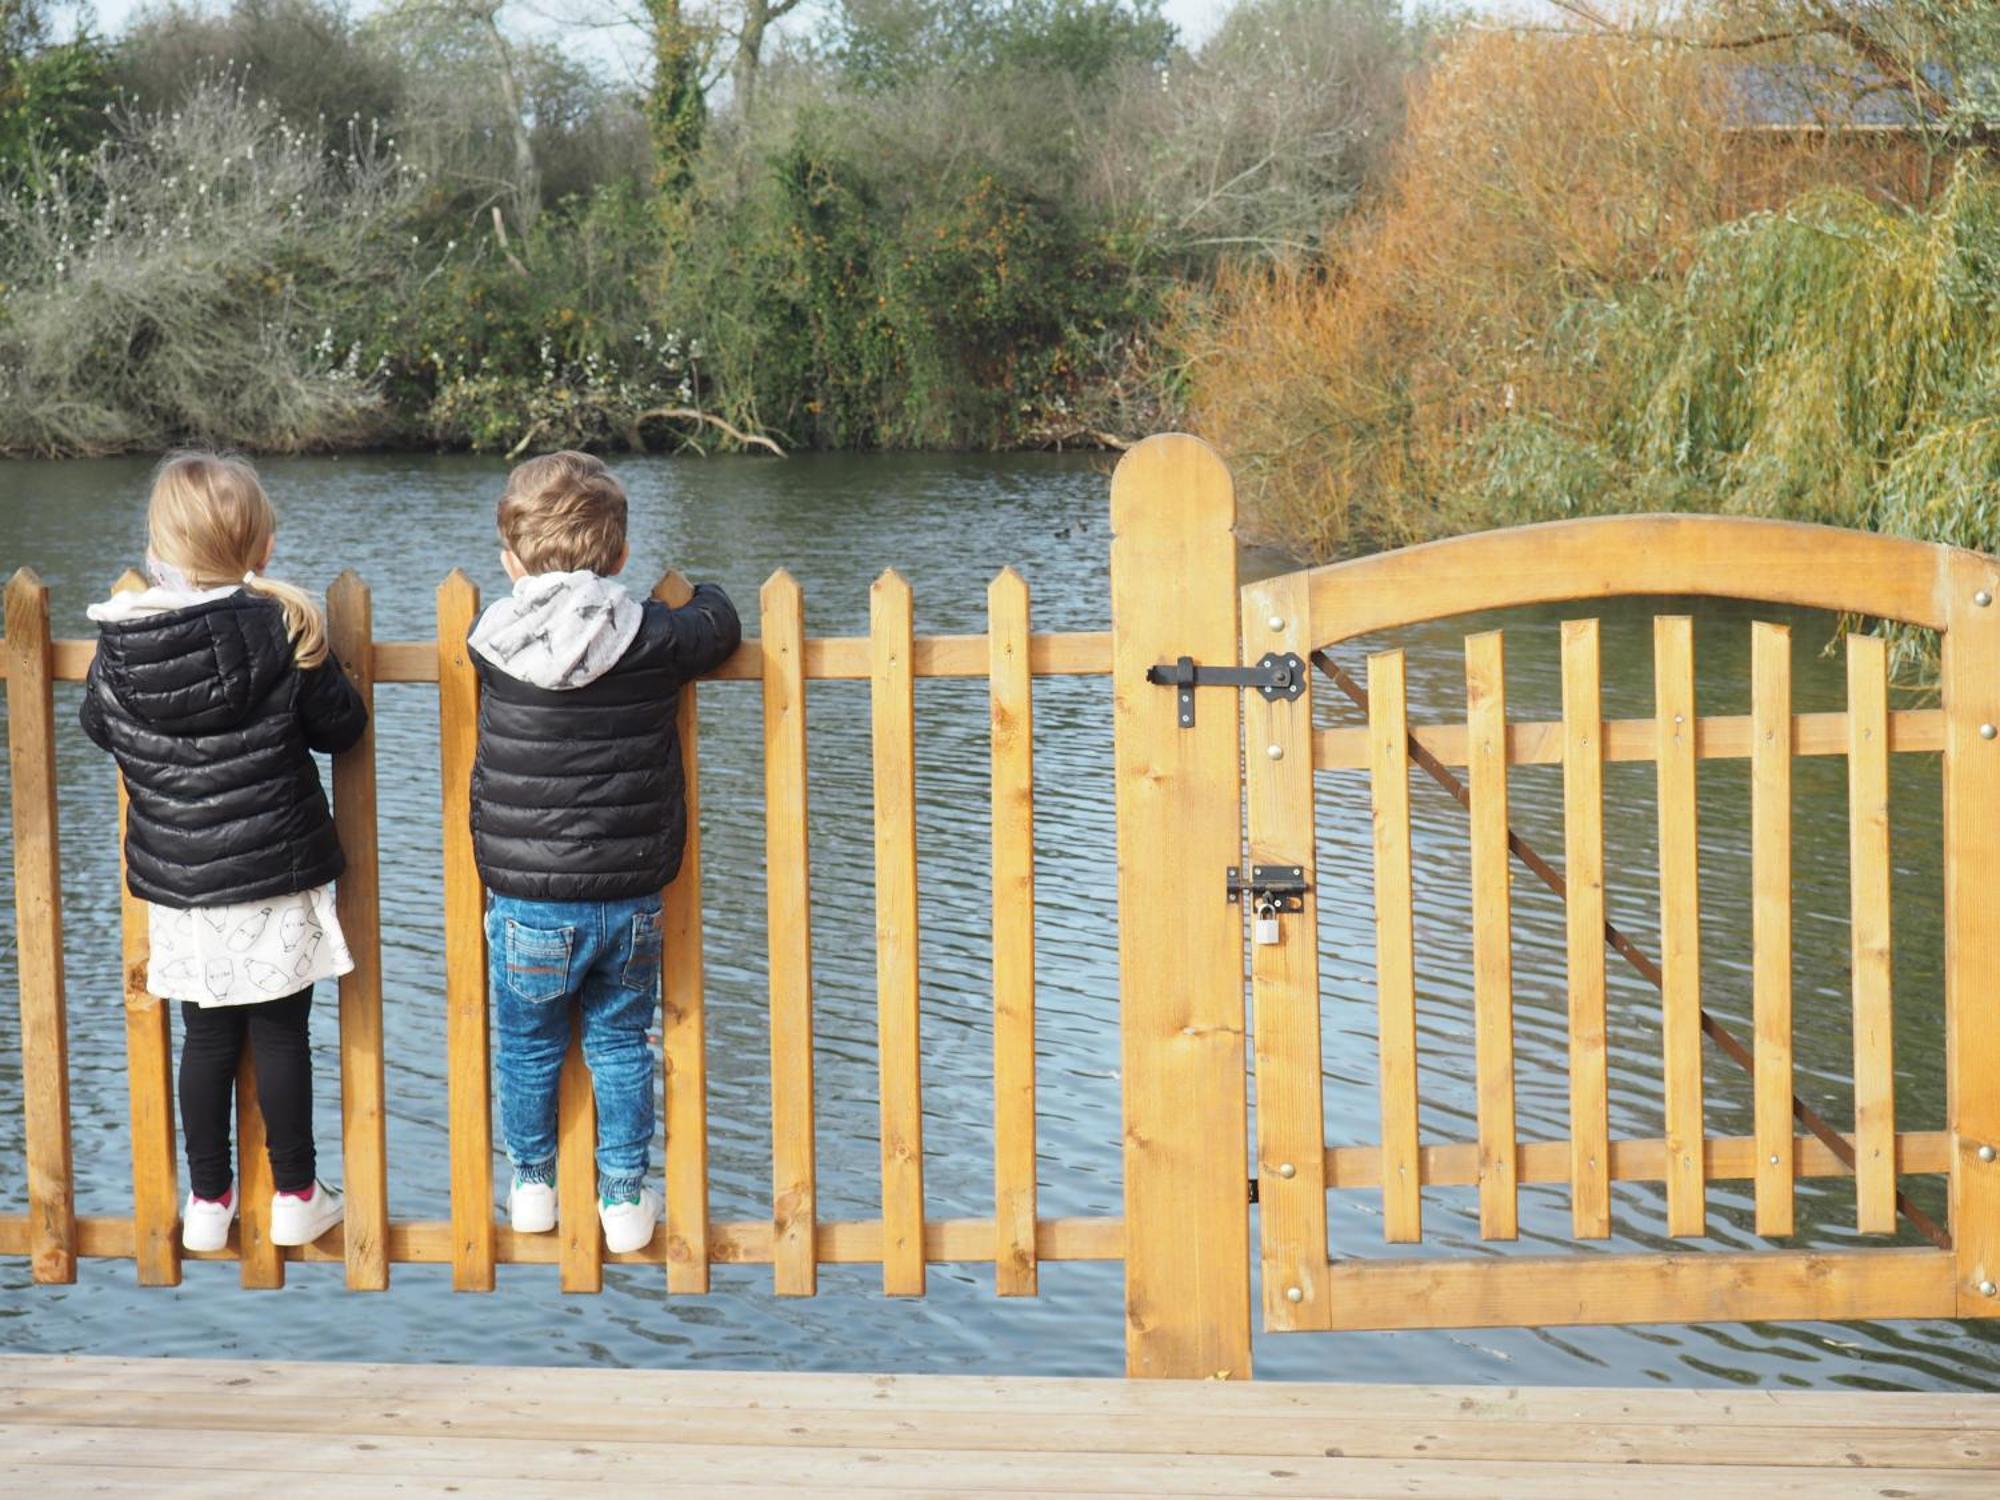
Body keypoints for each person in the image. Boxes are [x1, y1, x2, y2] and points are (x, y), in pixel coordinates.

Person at [81, 451, 365, 1253]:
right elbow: (343, 728)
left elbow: (98, 728)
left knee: (205, 1038)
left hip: (182, 887)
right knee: (280, 1035)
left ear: (156, 548)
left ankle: (208, 1201)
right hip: (276, 875)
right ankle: (297, 1193)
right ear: (261, 550)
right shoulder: (280, 628)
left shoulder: (124, 644)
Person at [468, 450, 740, 1253]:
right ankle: (624, 1197)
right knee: (621, 1043)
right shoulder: (646, 634)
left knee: (526, 1043)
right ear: (619, 556)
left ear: (510, 559)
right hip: (628, 896)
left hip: (526, 900)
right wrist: (708, 593)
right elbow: (716, 628)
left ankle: (531, 1186)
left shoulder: (492, 641)